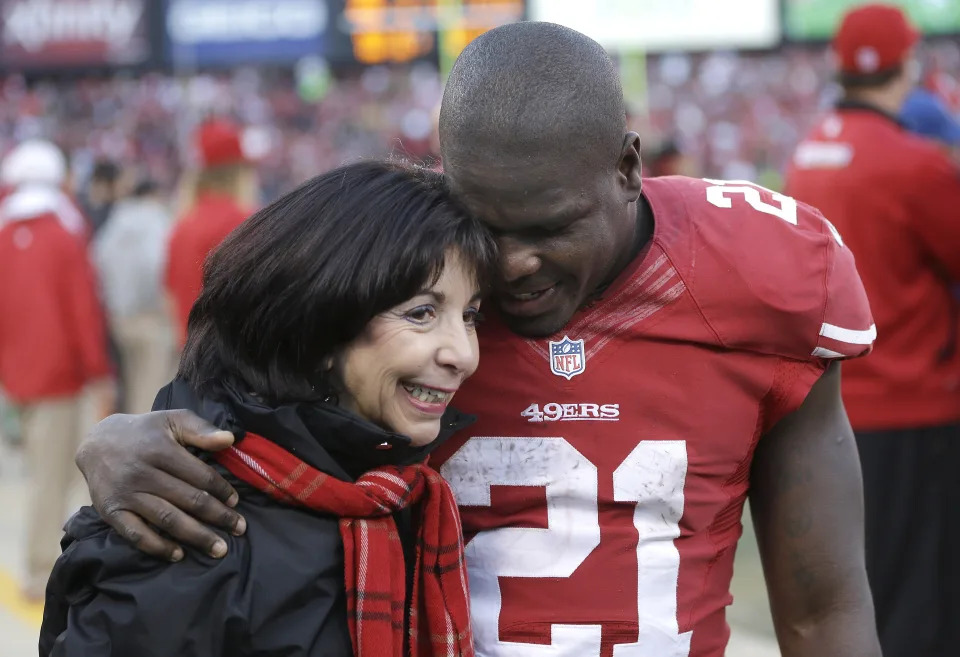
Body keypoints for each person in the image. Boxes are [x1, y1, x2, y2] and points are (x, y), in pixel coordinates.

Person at [75, 23, 881, 657]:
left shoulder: (765, 273)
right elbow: (241, 384)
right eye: (486, 227)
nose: (513, 264)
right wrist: (131, 437)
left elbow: (826, 608)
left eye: (549, 227)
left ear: (628, 169)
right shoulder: (399, 272)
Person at [40, 160, 491, 657]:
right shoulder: (184, 527)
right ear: (321, 324)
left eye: (469, 316)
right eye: (422, 313)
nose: (464, 355)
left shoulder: (397, 489)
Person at [784, 5, 960, 656]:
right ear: (906, 63)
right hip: (920, 401)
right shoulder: (915, 163)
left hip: (839, 402)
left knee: (869, 580)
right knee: (925, 588)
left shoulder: (810, 149)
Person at [0, 139, 114, 601]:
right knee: (51, 477)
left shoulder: (5, 232)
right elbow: (81, 310)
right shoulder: (65, 233)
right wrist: (99, 371)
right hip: (57, 376)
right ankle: (39, 569)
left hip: (14, 375)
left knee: (37, 472)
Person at [166, 118, 259, 345]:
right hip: (233, 350)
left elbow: (169, 294)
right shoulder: (242, 220)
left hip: (192, 350)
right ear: (237, 171)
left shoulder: (183, 222)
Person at [93, 178, 176, 414]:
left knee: (130, 384)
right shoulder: (156, 220)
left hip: (119, 318)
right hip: (150, 318)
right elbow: (155, 265)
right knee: (152, 387)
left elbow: (97, 263)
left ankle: (129, 434)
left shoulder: (116, 222)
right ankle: (143, 444)